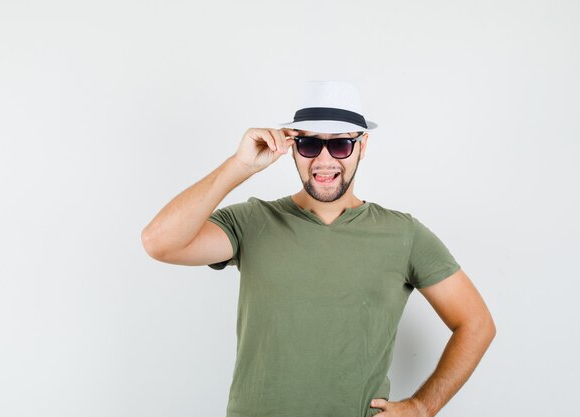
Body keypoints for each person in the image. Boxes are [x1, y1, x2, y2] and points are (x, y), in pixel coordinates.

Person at [141, 81, 496, 417]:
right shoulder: (252, 221)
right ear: (293, 146)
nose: (324, 160)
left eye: (340, 144)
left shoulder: (403, 234)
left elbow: (476, 323)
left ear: (362, 146)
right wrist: (240, 166)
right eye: (310, 145)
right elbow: (160, 243)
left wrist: (423, 406)